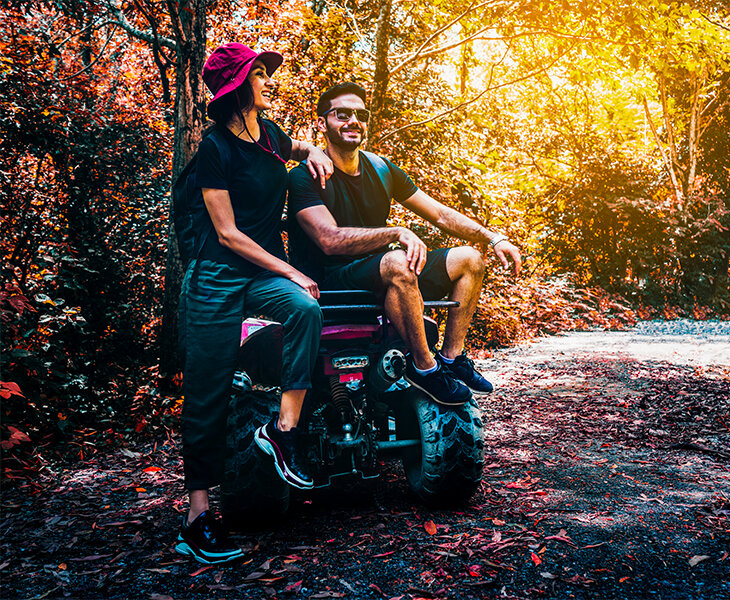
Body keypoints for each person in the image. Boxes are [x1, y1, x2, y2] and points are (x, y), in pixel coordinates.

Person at [175, 43, 332, 565]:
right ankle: (197, 518)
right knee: (208, 391)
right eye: (259, 74)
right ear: (240, 84)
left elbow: (289, 150)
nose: (268, 80)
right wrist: (290, 268)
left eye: (265, 72)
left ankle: (282, 432)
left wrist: (310, 149)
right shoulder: (214, 148)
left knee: (307, 311)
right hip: (217, 277)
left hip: (261, 276)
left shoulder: (271, 136)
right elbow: (226, 233)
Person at [288, 82, 522, 407]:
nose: (353, 121)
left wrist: (493, 237)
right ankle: (424, 367)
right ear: (321, 122)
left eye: (360, 114)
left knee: (469, 259)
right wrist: (395, 233)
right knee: (399, 261)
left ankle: (451, 358)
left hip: (382, 273)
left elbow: (439, 214)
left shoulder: (382, 169)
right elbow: (329, 241)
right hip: (332, 283)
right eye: (342, 114)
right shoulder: (304, 177)